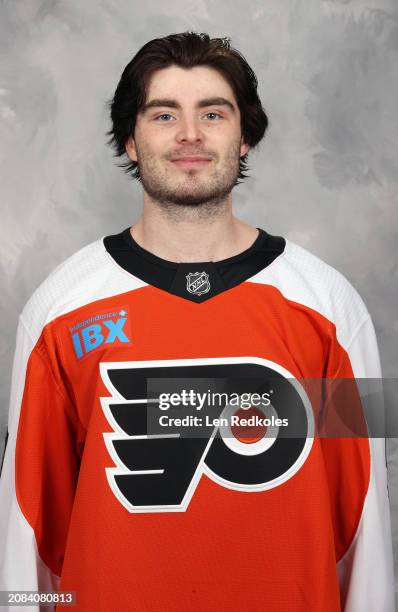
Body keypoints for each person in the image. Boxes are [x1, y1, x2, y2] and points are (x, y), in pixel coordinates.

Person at [0, 31, 394, 612]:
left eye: (213, 112)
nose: (190, 134)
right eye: (164, 114)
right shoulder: (57, 310)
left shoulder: (334, 309)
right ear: (131, 140)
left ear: (246, 138)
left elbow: (366, 528)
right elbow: (27, 532)